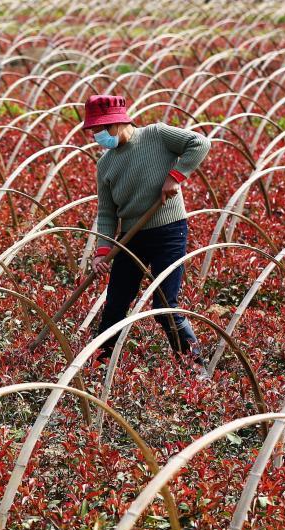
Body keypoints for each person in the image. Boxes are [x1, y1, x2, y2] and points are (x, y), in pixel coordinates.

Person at [82, 94, 211, 367]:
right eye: (93, 131)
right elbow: (106, 212)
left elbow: (199, 143)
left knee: (165, 307)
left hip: (168, 230)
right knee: (115, 306)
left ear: (117, 123)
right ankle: (99, 365)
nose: (97, 136)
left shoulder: (157, 135)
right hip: (131, 238)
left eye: (100, 129)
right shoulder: (105, 164)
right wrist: (102, 252)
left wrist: (175, 177)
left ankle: (195, 367)